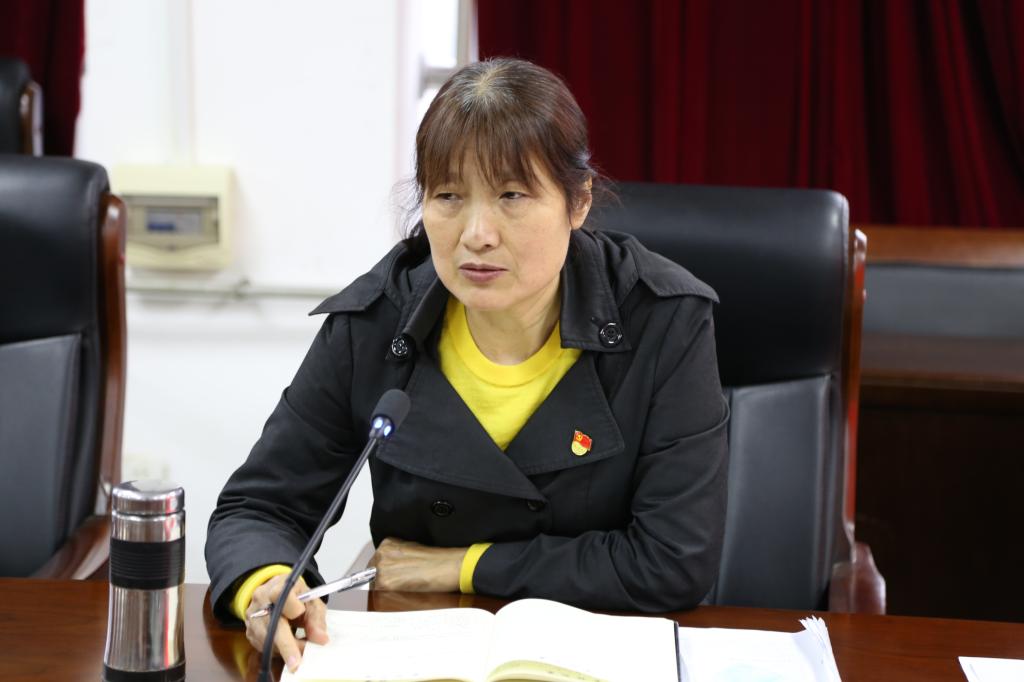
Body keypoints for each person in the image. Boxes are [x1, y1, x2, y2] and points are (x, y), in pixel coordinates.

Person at [206, 57, 729, 673]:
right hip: (423, 649)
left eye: (511, 196)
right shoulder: (377, 323)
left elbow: (673, 559)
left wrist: (466, 565)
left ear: (579, 201)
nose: (477, 234)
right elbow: (260, 507)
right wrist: (266, 581)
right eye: (449, 196)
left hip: (600, 654)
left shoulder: (662, 319)